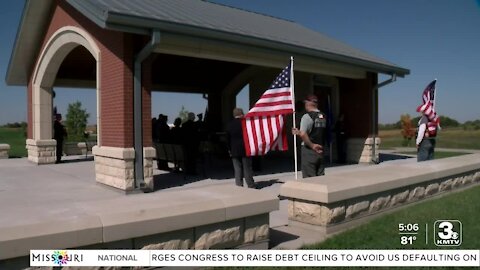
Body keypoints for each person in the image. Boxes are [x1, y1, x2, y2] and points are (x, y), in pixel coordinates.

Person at [292, 95, 327, 178]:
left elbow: (304, 134)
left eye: (306, 103)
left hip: (309, 150)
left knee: (310, 179)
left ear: (309, 103)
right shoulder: (323, 116)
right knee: (320, 177)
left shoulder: (307, 116)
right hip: (321, 149)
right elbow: (317, 130)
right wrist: (299, 132)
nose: (305, 105)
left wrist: (312, 145)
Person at [226, 108, 255, 188]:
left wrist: (229, 149)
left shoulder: (229, 125)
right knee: (247, 168)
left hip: (234, 149)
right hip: (246, 148)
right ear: (241, 114)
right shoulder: (246, 123)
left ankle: (239, 185)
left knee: (237, 169)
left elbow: (227, 139)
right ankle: (250, 185)